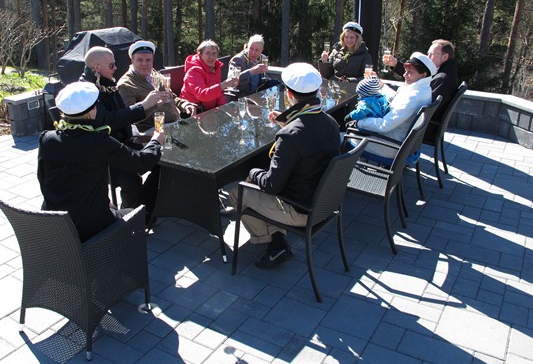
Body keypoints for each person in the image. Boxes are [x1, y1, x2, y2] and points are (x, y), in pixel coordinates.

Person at [228, 63, 341, 269]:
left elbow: (272, 186)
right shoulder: (331, 122)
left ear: (289, 94)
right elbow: (307, 138)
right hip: (325, 203)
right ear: (316, 91)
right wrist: (288, 124)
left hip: (301, 210)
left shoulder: (290, 135)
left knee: (237, 192)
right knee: (256, 182)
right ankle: (278, 242)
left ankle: (272, 243)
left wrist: (251, 170)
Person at [38, 82, 164, 241]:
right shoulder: (99, 141)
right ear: (92, 111)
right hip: (91, 227)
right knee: (135, 214)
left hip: (53, 222)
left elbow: (43, 180)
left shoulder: (47, 138)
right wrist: (156, 141)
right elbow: (141, 163)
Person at [77, 46, 171, 210]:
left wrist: (136, 135)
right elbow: (107, 121)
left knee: (163, 163)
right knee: (131, 178)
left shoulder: (106, 82)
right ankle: (131, 214)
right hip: (102, 152)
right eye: (111, 65)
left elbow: (123, 115)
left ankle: (146, 208)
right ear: (96, 67)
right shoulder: (86, 91)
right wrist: (144, 105)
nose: (115, 68)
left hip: (121, 143)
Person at [350, 52, 436, 160]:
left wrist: (359, 122)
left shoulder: (413, 97)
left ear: (423, 74)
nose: (405, 75)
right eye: (405, 71)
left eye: (410, 72)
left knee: (342, 137)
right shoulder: (423, 90)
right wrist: (380, 85)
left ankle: (341, 169)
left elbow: (384, 125)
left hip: (390, 146)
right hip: (401, 142)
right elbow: (397, 98)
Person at [384, 39, 458, 141]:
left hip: (423, 128)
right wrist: (396, 64)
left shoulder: (443, 78)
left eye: (431, 54)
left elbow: (423, 103)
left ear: (445, 57)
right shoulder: (446, 72)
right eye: (428, 54)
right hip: (424, 125)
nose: (428, 57)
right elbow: (418, 77)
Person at [117, 40, 198, 133]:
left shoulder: (155, 74)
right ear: (132, 61)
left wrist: (184, 104)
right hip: (152, 131)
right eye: (140, 60)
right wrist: (152, 104)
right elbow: (129, 118)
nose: (144, 64)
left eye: (148, 60)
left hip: (175, 125)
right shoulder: (126, 84)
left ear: (152, 60)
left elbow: (170, 97)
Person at [179, 40, 239, 112]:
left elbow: (219, 94)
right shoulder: (194, 71)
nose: (211, 57)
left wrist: (223, 107)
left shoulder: (216, 67)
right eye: (208, 53)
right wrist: (223, 85)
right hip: (193, 110)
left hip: (210, 110)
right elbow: (202, 95)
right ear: (200, 54)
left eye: (214, 53)